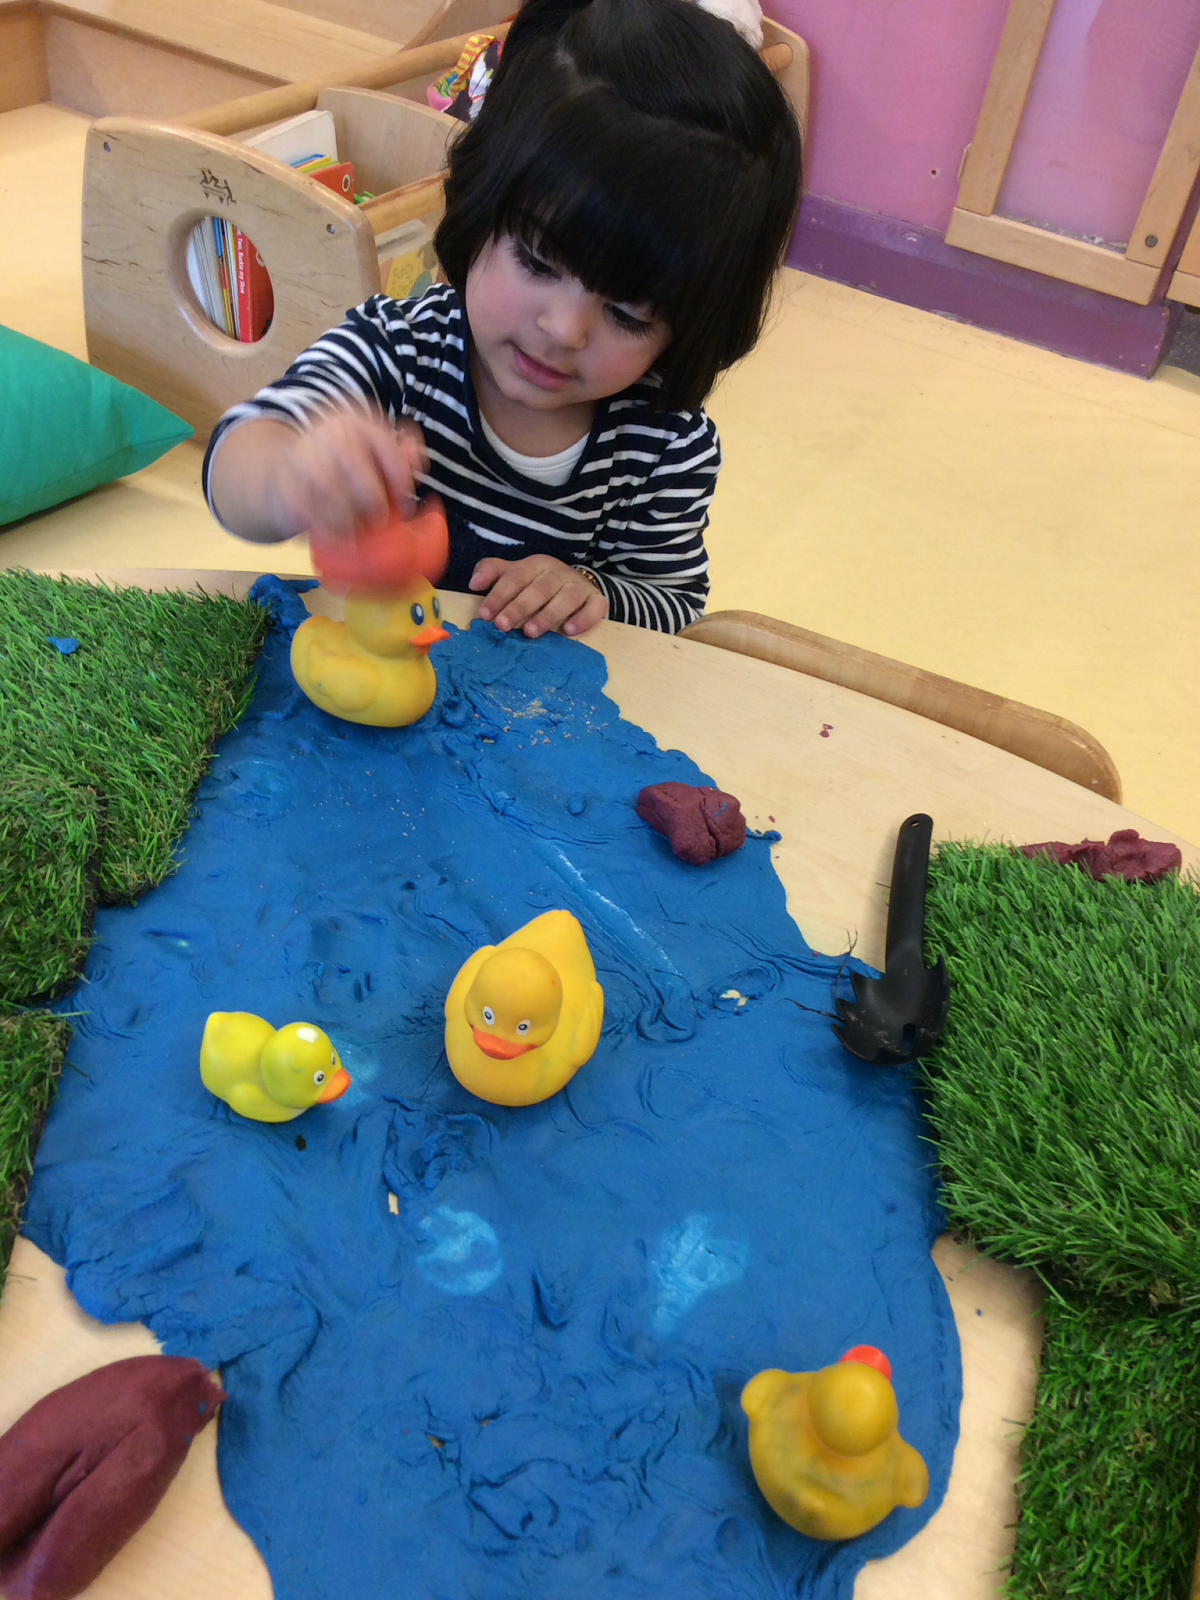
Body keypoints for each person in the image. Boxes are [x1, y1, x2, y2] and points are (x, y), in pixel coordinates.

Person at [204, 0, 802, 637]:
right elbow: (236, 460)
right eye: (539, 262)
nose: (563, 331)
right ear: (483, 210)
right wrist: (290, 477)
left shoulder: (664, 445)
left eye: (628, 315)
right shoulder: (397, 351)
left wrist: (592, 591)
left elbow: (675, 608)